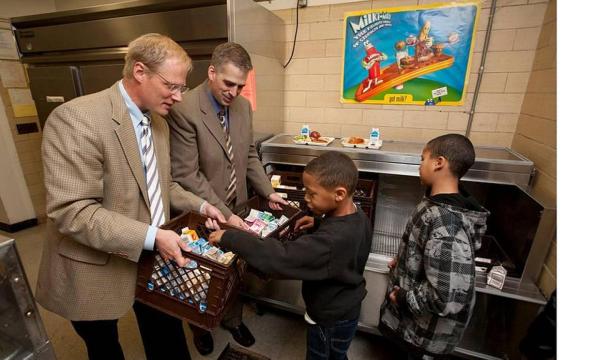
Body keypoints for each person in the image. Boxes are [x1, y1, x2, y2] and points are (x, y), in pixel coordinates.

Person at [35, 33, 226, 360]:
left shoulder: (159, 123)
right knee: (105, 348)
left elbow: (162, 185)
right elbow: (73, 212)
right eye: (173, 86)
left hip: (151, 257)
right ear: (140, 72)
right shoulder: (78, 119)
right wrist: (153, 236)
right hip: (93, 265)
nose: (179, 97)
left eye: (182, 87)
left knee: (167, 339)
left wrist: (203, 204)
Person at [166, 42, 288, 354]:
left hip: (240, 205)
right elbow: (186, 174)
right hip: (203, 209)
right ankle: (200, 325)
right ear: (211, 73)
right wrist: (222, 212)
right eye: (228, 83)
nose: (234, 92)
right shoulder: (184, 109)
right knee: (201, 273)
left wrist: (267, 191)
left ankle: (232, 319)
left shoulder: (243, 107)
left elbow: (248, 155)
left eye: (240, 86)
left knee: (236, 269)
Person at [208, 151, 373, 360]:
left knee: (321, 355)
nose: (306, 198)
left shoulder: (330, 242)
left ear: (339, 194)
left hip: (328, 318)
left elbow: (282, 257)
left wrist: (230, 238)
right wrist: (319, 222)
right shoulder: (358, 216)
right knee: (337, 354)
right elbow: (341, 238)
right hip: (347, 308)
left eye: (312, 194)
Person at [379, 134, 490, 359]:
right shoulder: (435, 202)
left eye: (423, 159)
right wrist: (404, 261)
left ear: (439, 163)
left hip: (422, 336)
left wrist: (401, 298)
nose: (419, 165)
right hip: (411, 328)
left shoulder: (447, 223)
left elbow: (445, 296)